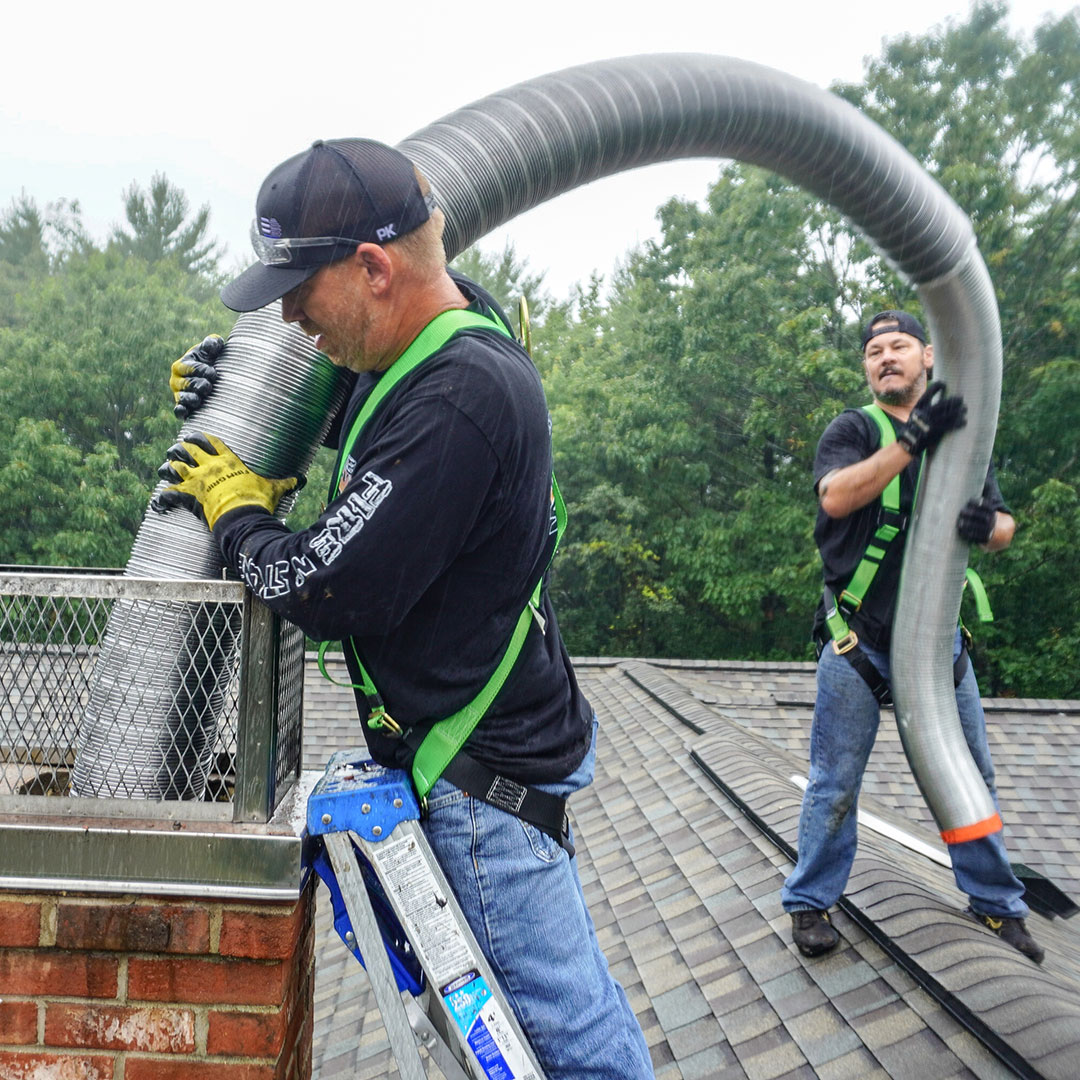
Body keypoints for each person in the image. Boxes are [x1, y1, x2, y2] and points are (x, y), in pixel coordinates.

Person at [157, 138, 654, 1079]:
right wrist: (242, 386)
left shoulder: (457, 402)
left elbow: (319, 584)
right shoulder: (447, 340)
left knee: (571, 1048)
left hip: (483, 788)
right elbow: (354, 398)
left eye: (301, 293)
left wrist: (238, 515)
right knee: (557, 1018)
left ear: (374, 268)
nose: (294, 318)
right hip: (496, 756)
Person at [781, 309, 1044, 965]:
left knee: (970, 776)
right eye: (874, 350)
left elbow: (1005, 522)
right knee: (834, 782)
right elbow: (837, 497)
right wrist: (910, 442)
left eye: (899, 345)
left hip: (936, 646)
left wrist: (995, 526)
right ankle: (811, 903)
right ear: (867, 368)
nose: (886, 356)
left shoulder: (961, 435)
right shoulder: (855, 429)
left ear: (928, 358)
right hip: (858, 640)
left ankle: (996, 906)